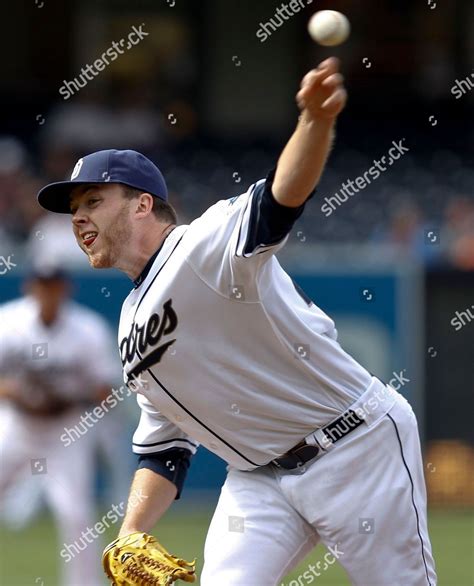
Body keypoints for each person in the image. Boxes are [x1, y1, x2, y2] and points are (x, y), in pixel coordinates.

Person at [37, 58, 437, 585]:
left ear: (141, 205)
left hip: (355, 446)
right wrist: (131, 530)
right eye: (73, 210)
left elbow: (281, 198)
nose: (79, 218)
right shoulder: (129, 325)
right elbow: (164, 449)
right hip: (258, 480)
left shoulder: (203, 244)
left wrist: (314, 122)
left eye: (93, 200)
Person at [0, 266, 119, 586]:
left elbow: (106, 394)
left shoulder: (88, 329)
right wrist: (10, 389)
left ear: (65, 289)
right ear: (30, 287)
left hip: (65, 429)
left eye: (53, 285)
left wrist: (70, 390)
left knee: (76, 515)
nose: (47, 292)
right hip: (16, 424)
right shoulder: (8, 323)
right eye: (41, 285)